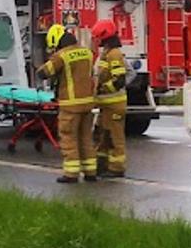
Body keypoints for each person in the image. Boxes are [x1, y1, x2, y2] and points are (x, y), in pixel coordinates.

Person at [37, 24, 97, 184]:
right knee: (86, 138)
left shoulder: (62, 55)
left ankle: (71, 174)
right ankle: (91, 172)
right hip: (88, 103)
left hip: (70, 105)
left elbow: (43, 73)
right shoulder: (87, 52)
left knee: (69, 138)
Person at [90, 20, 129, 178]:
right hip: (106, 105)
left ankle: (117, 168)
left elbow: (119, 80)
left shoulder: (114, 54)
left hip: (114, 105)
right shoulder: (106, 53)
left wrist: (102, 89)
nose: (96, 40)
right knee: (102, 135)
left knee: (114, 137)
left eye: (97, 37)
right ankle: (102, 165)